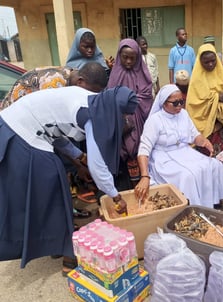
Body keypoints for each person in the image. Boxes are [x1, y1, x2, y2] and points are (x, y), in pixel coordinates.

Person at [0, 85, 138, 276]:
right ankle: (69, 257)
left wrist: (81, 157)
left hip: (11, 125)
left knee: (44, 192)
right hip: (22, 134)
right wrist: (115, 197)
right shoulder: (92, 116)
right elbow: (98, 169)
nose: (124, 119)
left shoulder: (92, 99)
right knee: (56, 188)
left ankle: (52, 242)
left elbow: (55, 130)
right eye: (122, 115)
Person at [0, 62, 109, 216]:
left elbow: (57, 136)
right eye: (91, 93)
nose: (90, 99)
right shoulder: (53, 86)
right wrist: (80, 160)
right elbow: (55, 137)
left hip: (37, 133)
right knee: (46, 174)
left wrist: (79, 160)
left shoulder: (71, 81)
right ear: (80, 82)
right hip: (18, 132)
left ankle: (64, 212)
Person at [135, 84, 223, 208]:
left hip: (184, 151)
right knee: (188, 175)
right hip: (164, 157)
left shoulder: (183, 114)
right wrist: (144, 176)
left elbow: (194, 135)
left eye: (181, 102)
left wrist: (204, 142)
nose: (179, 106)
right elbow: (143, 150)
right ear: (163, 103)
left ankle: (211, 202)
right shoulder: (155, 120)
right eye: (175, 103)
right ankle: (191, 208)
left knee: (215, 165)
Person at [107, 38, 153, 187]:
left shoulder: (143, 73)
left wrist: (129, 103)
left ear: (137, 58)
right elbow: (109, 97)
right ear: (119, 56)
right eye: (125, 57)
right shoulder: (115, 74)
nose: (128, 61)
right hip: (120, 120)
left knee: (138, 150)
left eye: (132, 58)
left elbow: (146, 96)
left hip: (138, 119)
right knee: (122, 154)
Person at [186, 43, 223, 157]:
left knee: (221, 157)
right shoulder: (196, 79)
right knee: (205, 156)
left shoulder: (221, 73)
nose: (210, 64)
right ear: (200, 61)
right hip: (204, 125)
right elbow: (195, 103)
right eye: (206, 62)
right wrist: (218, 97)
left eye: (213, 61)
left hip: (220, 125)